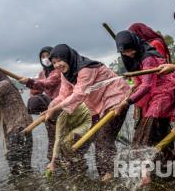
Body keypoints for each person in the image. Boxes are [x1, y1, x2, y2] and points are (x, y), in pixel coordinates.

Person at [44, 44, 131, 181]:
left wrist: (56, 108)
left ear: (68, 57)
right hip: (97, 107)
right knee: (97, 137)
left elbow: (79, 95)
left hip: (116, 99)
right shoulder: (66, 74)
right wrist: (51, 107)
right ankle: (102, 173)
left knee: (103, 138)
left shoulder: (86, 69)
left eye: (59, 60)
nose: (57, 65)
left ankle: (108, 176)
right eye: (54, 63)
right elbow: (63, 95)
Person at [113, 30, 175, 148]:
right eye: (125, 52)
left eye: (131, 50)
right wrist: (132, 89)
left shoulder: (148, 57)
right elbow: (139, 81)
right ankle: (165, 159)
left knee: (148, 130)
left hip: (164, 93)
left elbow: (147, 85)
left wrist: (126, 102)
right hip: (150, 95)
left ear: (135, 44)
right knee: (155, 132)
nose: (129, 54)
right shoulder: (130, 58)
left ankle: (151, 158)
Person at [19, 46, 61, 161]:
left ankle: (66, 161)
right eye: (43, 57)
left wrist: (29, 81)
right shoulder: (42, 73)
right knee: (52, 136)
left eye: (48, 56)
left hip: (61, 106)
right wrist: (34, 97)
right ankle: (53, 161)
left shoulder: (58, 70)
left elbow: (48, 83)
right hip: (49, 110)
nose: (45, 59)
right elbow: (35, 90)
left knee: (62, 136)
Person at [47, 103, 92, 174]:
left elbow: (58, 140)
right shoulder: (61, 108)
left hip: (87, 123)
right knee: (64, 145)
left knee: (65, 142)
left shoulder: (61, 117)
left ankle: (76, 162)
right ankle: (72, 163)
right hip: (78, 123)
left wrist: (52, 162)